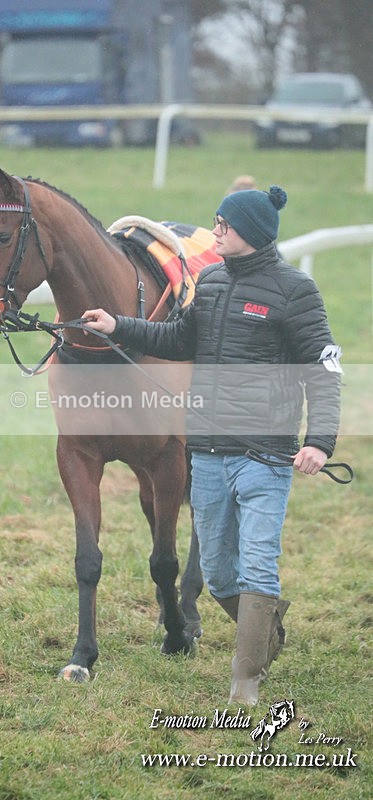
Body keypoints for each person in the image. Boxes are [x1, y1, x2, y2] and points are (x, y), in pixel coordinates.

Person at [81, 186, 341, 706]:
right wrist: (119, 327)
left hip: (266, 457)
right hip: (207, 457)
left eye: (223, 225)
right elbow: (177, 339)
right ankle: (264, 627)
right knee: (220, 573)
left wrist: (320, 442)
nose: (214, 231)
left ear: (252, 233)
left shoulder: (297, 291)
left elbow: (324, 370)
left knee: (257, 564)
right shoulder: (212, 281)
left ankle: (245, 682)